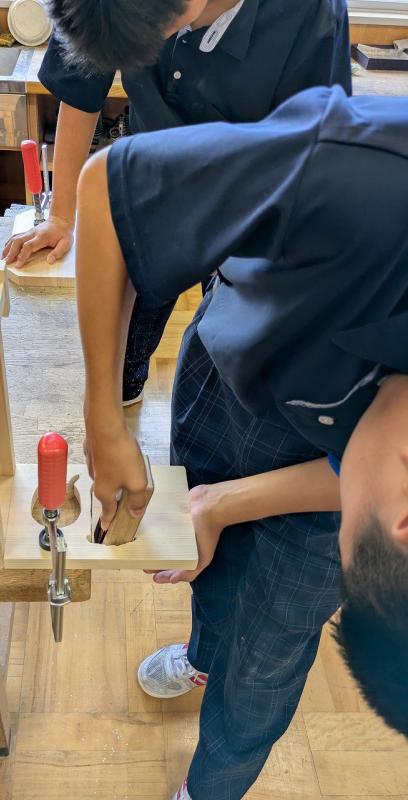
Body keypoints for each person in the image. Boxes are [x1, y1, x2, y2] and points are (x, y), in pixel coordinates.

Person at [75, 85, 408, 800]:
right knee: (214, 578)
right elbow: (109, 189)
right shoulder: (365, 176)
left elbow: (352, 473)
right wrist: (105, 420)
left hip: (338, 442)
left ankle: (209, 790)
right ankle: (203, 655)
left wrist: (220, 504)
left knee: (267, 662)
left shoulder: (380, 468)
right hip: (229, 381)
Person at [3, 0, 351, 404]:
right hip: (153, 186)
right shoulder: (102, 7)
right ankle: (129, 385)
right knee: (123, 359)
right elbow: (81, 89)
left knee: (228, 370)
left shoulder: (311, 14)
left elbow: (309, 161)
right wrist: (62, 216)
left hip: (250, 211)